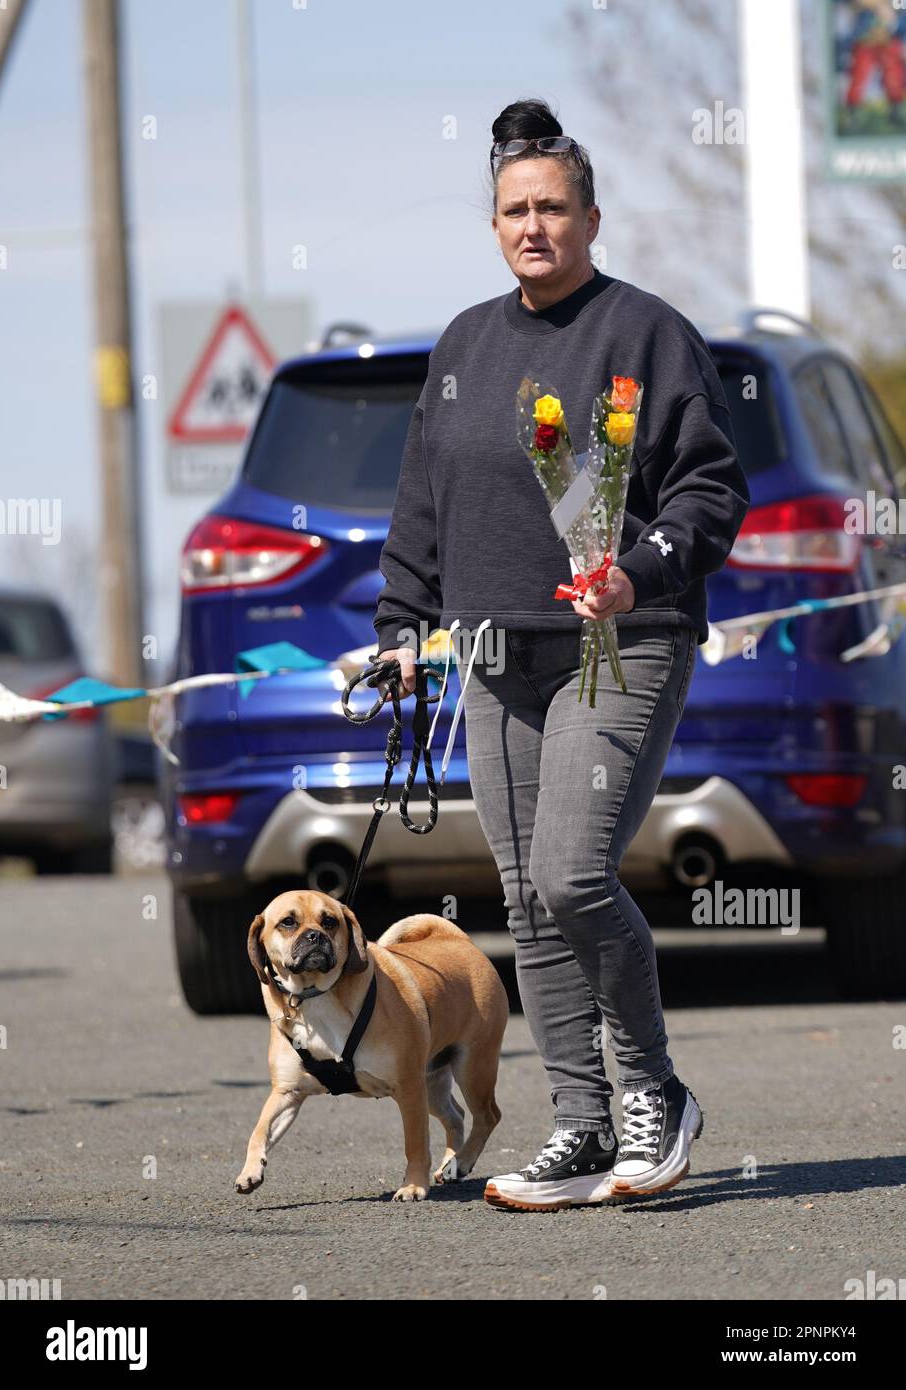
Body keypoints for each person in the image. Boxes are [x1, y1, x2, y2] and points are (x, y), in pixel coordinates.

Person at [372, 97, 750, 1211]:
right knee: (527, 905)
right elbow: (420, 504)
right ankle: (580, 1125)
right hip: (495, 656)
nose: (532, 225)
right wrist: (401, 625)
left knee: (571, 873)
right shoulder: (463, 346)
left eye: (552, 206)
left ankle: (654, 1096)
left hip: (619, 643)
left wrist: (643, 565)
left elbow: (710, 485)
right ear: (493, 224)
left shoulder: (644, 333)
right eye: (512, 209)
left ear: (589, 216)